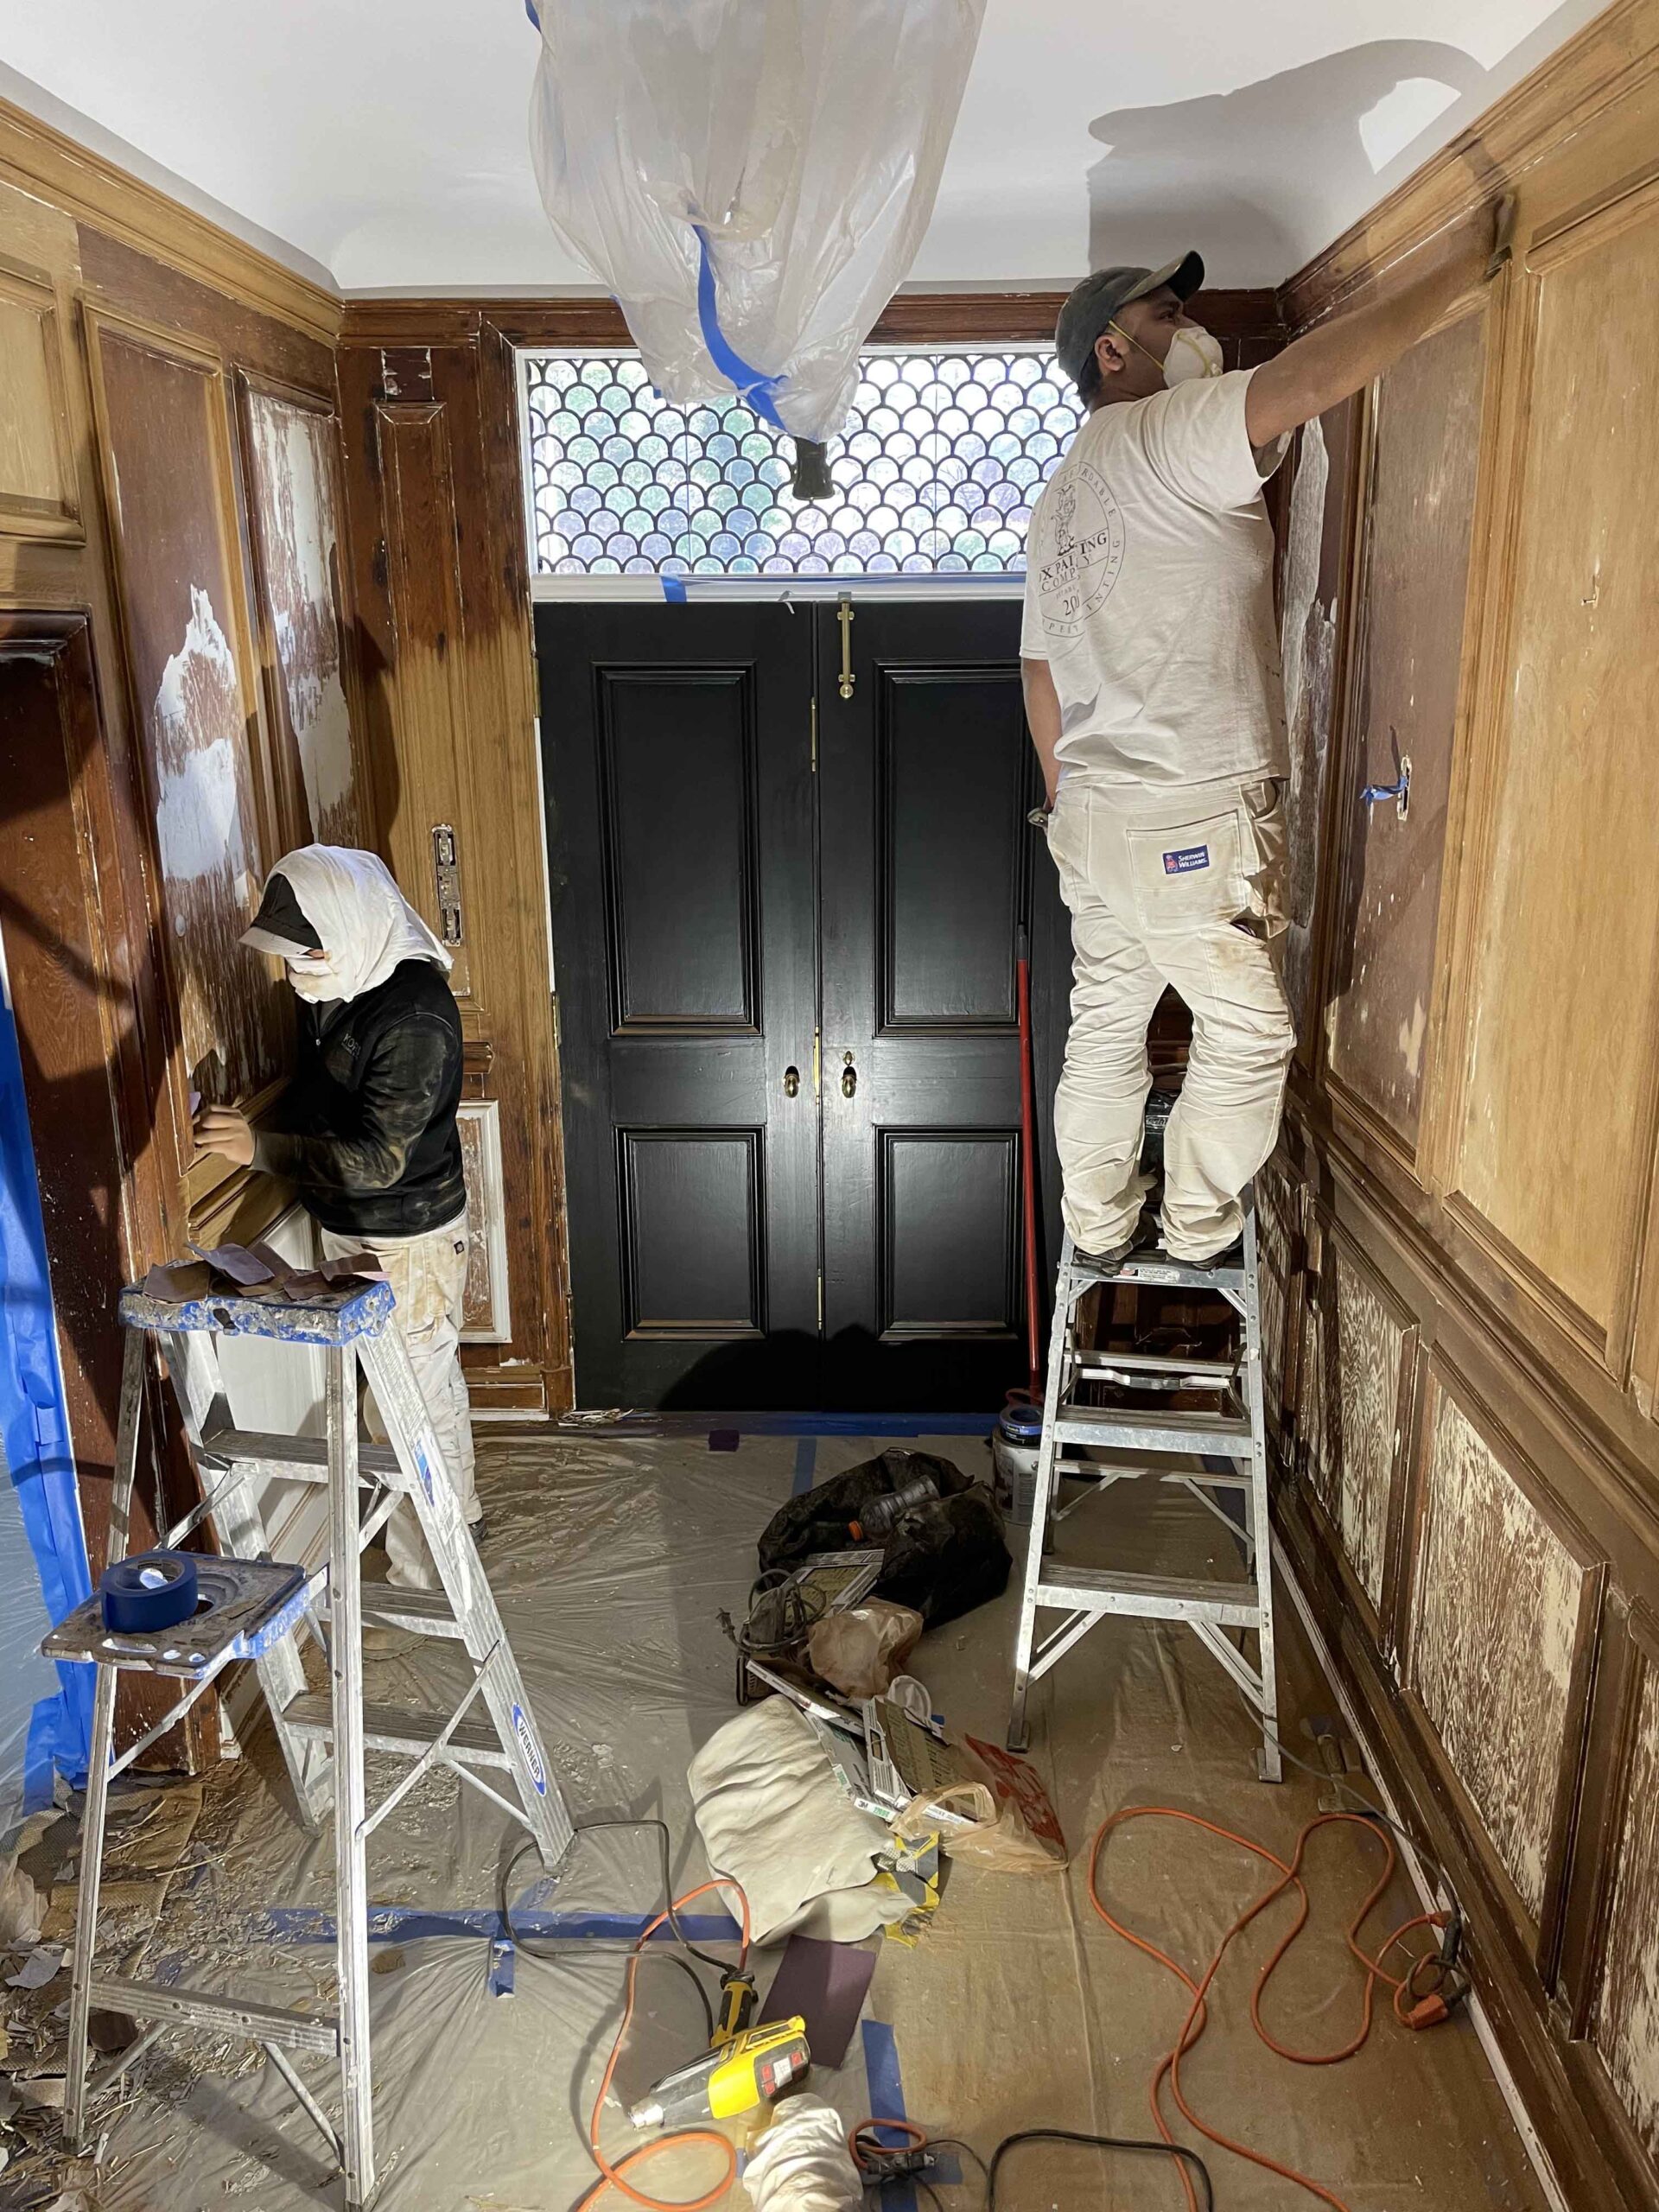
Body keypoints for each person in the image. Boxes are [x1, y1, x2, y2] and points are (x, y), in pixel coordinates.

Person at [1023, 199, 1511, 1268]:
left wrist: (1070, 802)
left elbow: (1037, 670)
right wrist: (1456, 269)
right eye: (1166, 312)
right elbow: (1303, 384)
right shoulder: (1167, 431)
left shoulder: (1059, 496)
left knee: (1108, 1027)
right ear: (1115, 350)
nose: (1189, 325)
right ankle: (1196, 1230)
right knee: (1247, 1034)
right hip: (1186, 808)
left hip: (1096, 820)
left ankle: (1099, 1228)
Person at [194, 846, 478, 1599]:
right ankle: (455, 1535)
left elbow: (381, 1160)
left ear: (348, 924)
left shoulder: (415, 1017)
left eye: (307, 953)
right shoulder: (347, 967)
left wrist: (256, 1147)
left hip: (405, 1237)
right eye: (292, 956)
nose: (296, 974)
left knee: (410, 1407)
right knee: (411, 1395)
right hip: (360, 1226)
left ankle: (432, 1580)